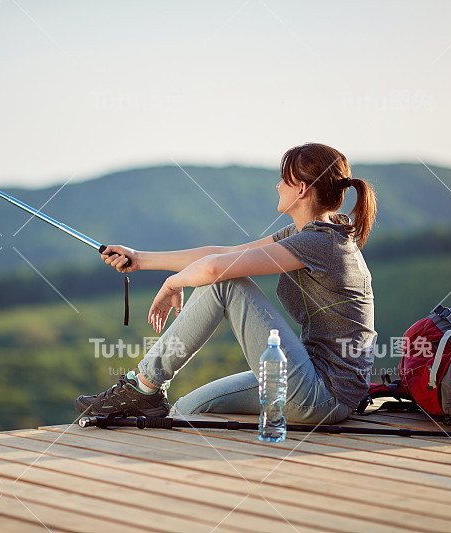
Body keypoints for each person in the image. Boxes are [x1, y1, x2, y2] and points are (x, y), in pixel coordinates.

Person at [75, 143, 377, 424]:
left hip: (323, 395)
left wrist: (173, 283)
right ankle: (148, 395)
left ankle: (143, 387)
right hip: (307, 378)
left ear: (301, 189)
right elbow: (225, 254)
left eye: (283, 179)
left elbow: (217, 269)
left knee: (225, 282)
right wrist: (140, 259)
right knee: (184, 412)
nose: (277, 185)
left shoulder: (320, 241)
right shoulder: (314, 234)